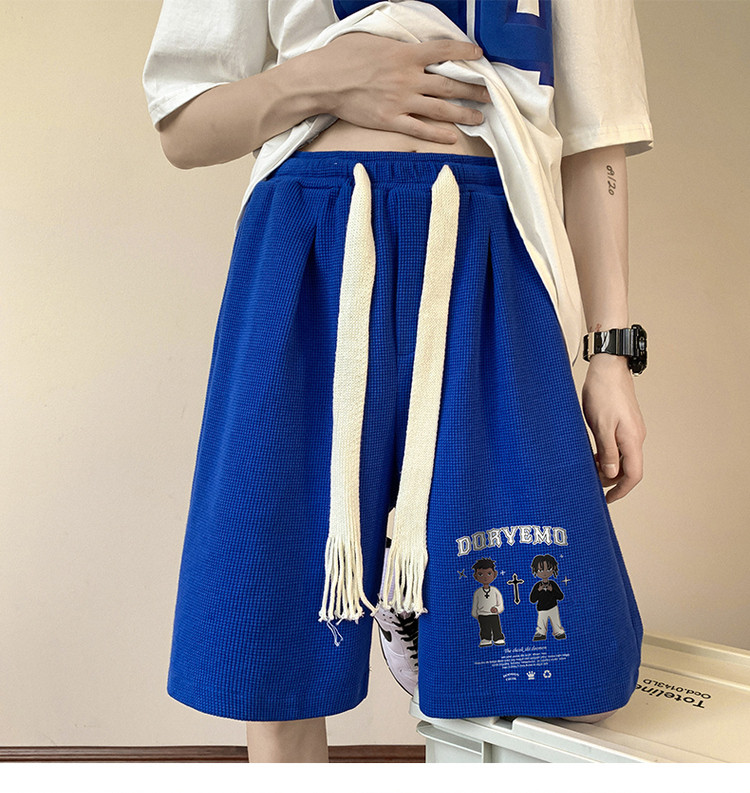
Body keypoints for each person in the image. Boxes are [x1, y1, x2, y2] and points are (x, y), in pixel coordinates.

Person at [143, 0, 652, 763]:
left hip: (494, 239)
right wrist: (321, 79)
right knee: (278, 652)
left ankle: (427, 599)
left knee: (561, 666)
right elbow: (183, 124)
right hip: (310, 245)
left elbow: (597, 132)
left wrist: (610, 356)